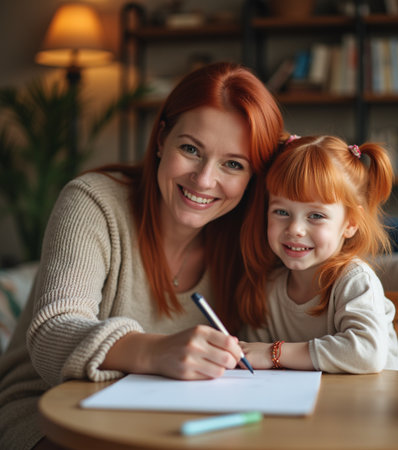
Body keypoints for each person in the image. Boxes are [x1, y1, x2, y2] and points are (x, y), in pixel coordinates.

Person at [0, 62, 284, 449]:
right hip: (50, 414)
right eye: (190, 149)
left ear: (255, 177)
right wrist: (155, 350)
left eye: (233, 164)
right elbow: (53, 331)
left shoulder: (252, 232)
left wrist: (294, 167)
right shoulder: (92, 202)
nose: (203, 180)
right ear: (161, 139)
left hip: (170, 419)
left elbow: (328, 273)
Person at [238, 135, 398, 373]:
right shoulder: (268, 287)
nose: (295, 229)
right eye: (281, 211)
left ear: (350, 223)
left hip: (377, 404)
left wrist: (273, 353)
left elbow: (367, 354)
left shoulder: (355, 280)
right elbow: (255, 360)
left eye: (316, 216)